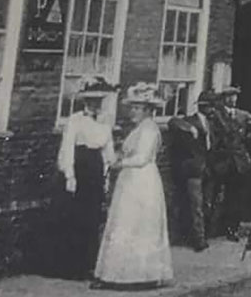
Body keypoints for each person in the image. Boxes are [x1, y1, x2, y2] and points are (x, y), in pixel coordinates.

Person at [94, 83, 174, 289]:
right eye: (132, 108)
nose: (133, 112)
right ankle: (117, 274)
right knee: (124, 222)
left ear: (148, 110)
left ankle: (138, 275)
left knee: (136, 223)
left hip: (142, 180)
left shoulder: (150, 129)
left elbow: (142, 158)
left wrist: (119, 163)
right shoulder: (139, 129)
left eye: (137, 108)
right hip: (130, 180)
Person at [54, 77, 116, 280]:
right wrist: (69, 175)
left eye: (98, 101)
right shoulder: (76, 120)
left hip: (95, 168)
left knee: (93, 216)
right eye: (91, 100)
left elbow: (108, 149)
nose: (95, 105)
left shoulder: (106, 120)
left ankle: (90, 263)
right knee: (76, 216)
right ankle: (73, 266)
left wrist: (107, 173)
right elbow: (68, 147)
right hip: (80, 167)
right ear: (84, 101)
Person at [167, 91, 215, 251]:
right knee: (196, 206)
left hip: (208, 169)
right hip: (193, 170)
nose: (213, 109)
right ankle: (198, 240)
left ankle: (203, 234)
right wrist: (190, 129)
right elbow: (172, 122)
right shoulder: (189, 121)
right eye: (210, 106)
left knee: (206, 204)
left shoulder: (213, 123)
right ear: (203, 107)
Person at [216, 86, 251, 241]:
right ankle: (218, 228)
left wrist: (248, 137)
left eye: (235, 96)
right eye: (229, 96)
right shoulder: (217, 115)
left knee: (236, 196)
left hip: (239, 162)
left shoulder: (242, 115)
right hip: (223, 161)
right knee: (219, 195)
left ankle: (232, 228)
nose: (232, 99)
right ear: (224, 98)